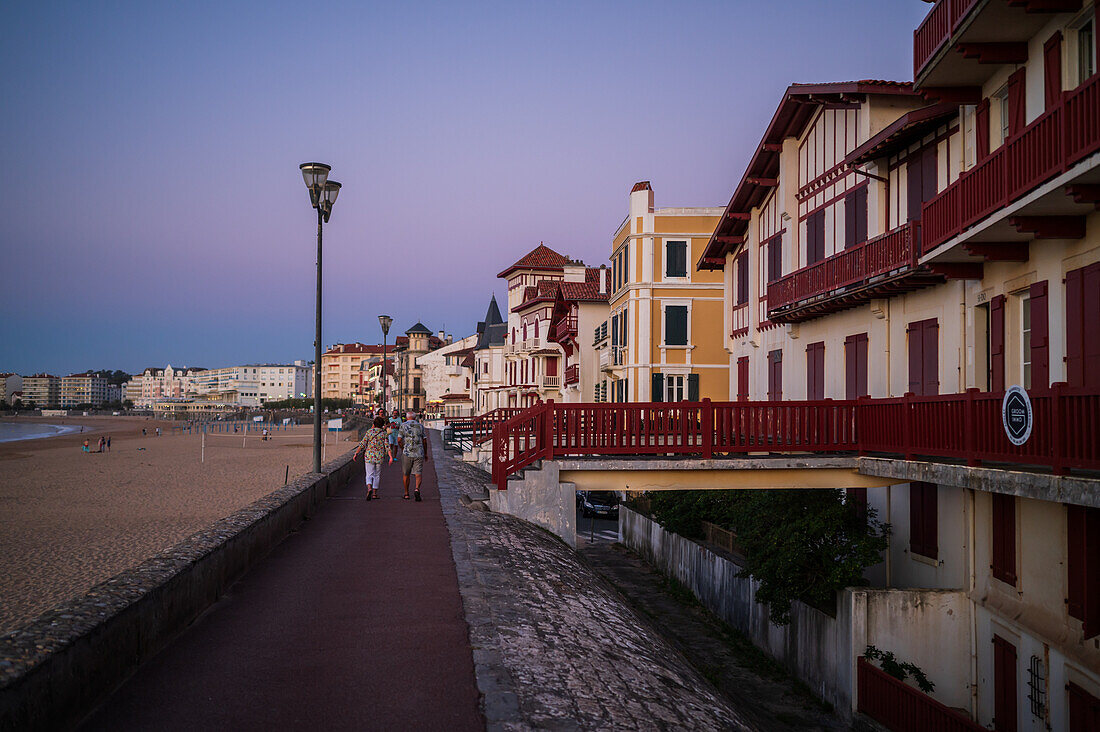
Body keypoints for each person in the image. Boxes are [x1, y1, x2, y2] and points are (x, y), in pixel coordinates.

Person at [353, 416, 389, 501]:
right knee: (377, 475)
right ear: (382, 425)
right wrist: (390, 456)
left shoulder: (369, 432)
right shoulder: (384, 433)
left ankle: (369, 488)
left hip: (369, 456)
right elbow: (387, 446)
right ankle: (374, 494)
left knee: (369, 474)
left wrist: (356, 453)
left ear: (374, 424)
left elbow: (362, 444)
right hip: (379, 457)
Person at [398, 410, 429, 501]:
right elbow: (424, 441)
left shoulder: (403, 425)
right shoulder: (420, 426)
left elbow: (399, 440)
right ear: (415, 417)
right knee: (418, 473)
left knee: (406, 473)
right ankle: (416, 489)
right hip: (419, 452)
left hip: (407, 452)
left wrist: (402, 447)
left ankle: (406, 493)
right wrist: (426, 453)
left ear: (407, 417)